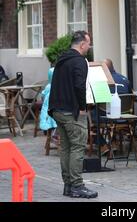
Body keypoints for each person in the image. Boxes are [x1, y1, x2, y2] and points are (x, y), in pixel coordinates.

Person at [48, 30, 98, 199]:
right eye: (88, 43)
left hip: (57, 109)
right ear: (82, 44)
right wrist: (83, 107)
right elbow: (79, 86)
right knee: (77, 147)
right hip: (71, 110)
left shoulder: (62, 59)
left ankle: (68, 185)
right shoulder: (79, 61)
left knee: (66, 149)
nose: (89, 47)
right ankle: (77, 185)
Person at [39, 67, 57, 132]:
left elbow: (43, 95)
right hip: (55, 108)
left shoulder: (48, 86)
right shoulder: (59, 87)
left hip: (48, 107)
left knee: (46, 114)